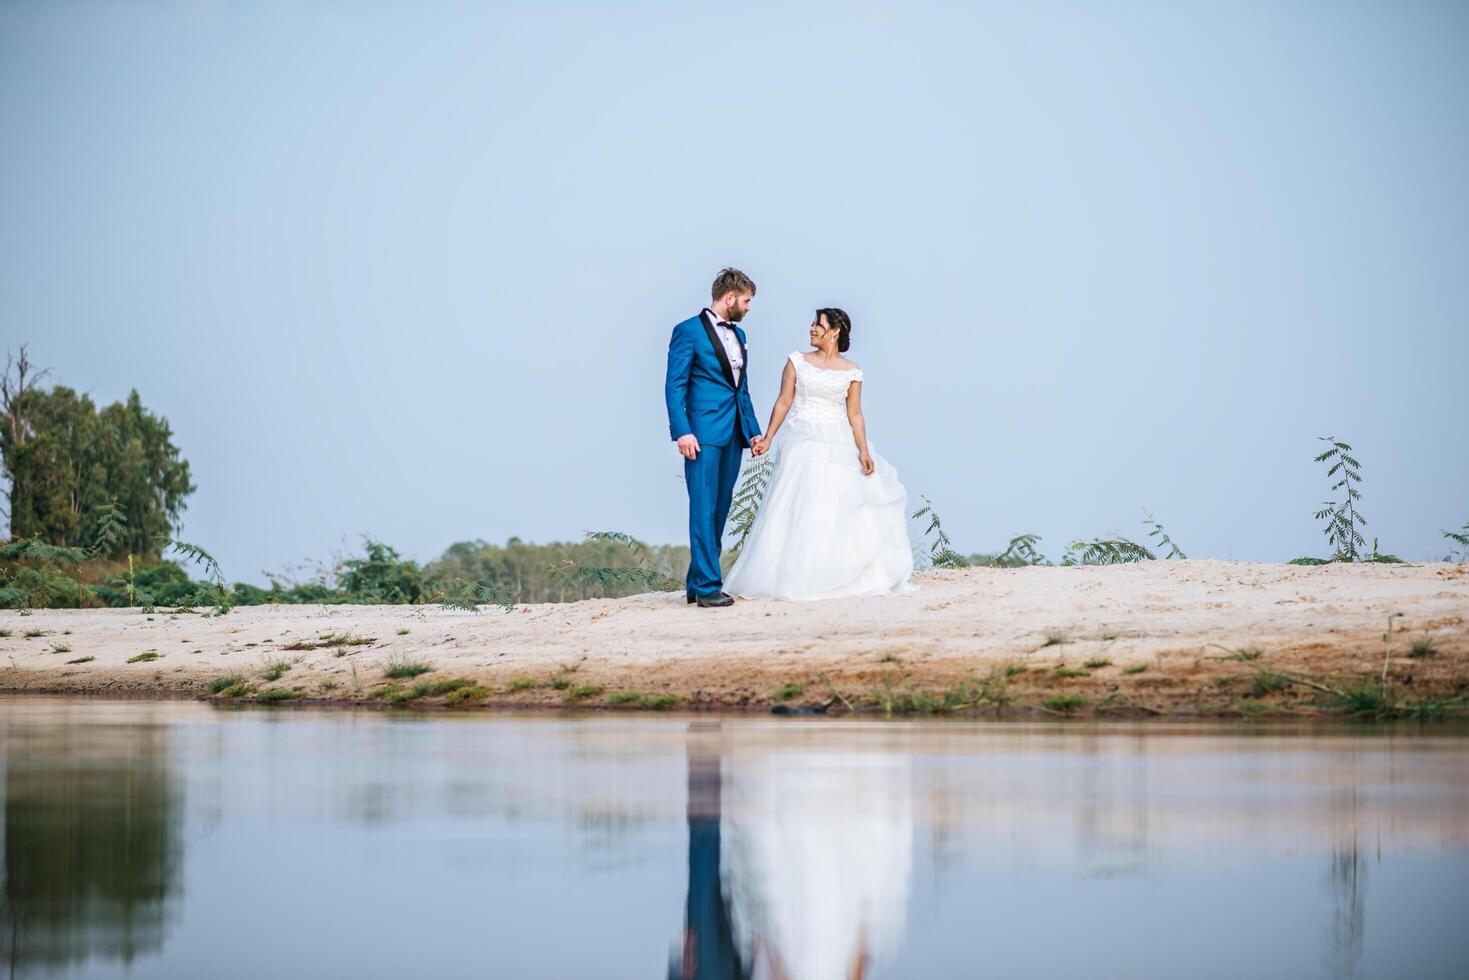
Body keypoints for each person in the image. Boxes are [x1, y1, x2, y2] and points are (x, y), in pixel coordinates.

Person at [723, 309, 914, 601]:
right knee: (803, 503)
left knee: (837, 506)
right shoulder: (797, 362)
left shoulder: (852, 370)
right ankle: (793, 575)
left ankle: (838, 573)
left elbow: (855, 414)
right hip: (802, 438)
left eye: (818, 324)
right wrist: (769, 437)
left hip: (838, 441)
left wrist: (863, 450)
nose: (811, 328)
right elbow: (784, 401)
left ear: (834, 331)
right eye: (812, 323)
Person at [665, 268, 763, 608]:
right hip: (701, 434)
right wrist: (682, 431)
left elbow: (741, 389)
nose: (749, 308)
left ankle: (695, 581)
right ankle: (708, 586)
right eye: (747, 301)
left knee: (719, 509)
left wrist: (753, 431)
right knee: (703, 508)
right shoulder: (687, 332)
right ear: (730, 298)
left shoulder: (740, 335)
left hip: (733, 432)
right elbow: (674, 385)